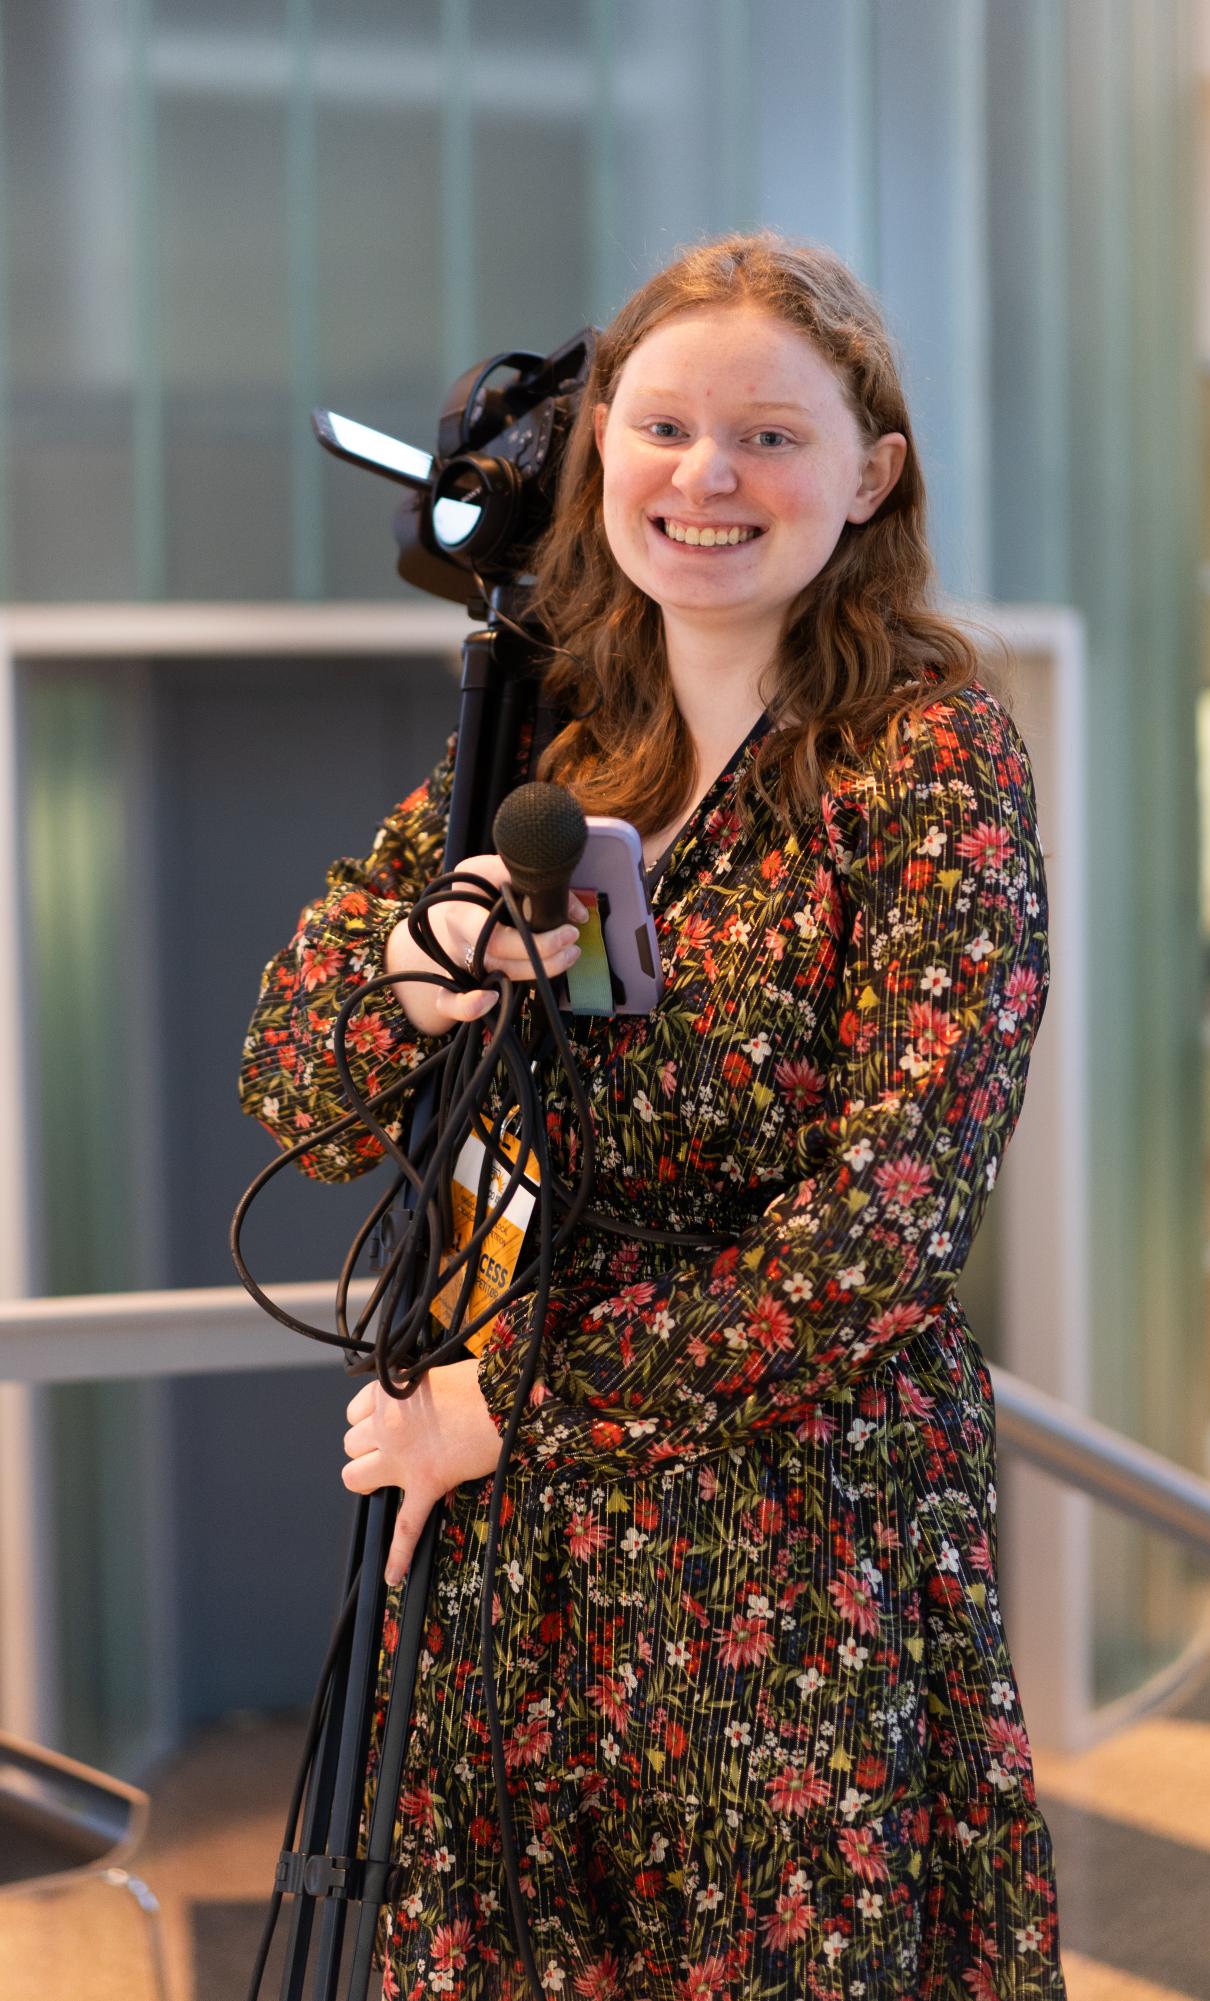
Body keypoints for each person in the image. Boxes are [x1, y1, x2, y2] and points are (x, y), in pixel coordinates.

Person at [240, 231, 1065, 2000]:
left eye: (771, 436)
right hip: (514, 1564)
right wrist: (414, 969)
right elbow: (293, 1082)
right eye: (665, 424)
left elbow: (887, 1230)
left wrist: (506, 1407)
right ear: (602, 443)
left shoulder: (928, 762)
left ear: (871, 477)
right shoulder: (550, 747)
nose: (708, 477)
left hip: (789, 1552)